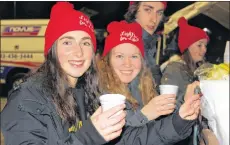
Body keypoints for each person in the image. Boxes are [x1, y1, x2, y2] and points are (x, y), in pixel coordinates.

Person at [1, 2, 126, 145]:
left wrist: (150, 119)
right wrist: (89, 137)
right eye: (67, 42)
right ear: (52, 49)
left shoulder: (89, 92)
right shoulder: (27, 99)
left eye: (85, 43)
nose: (79, 52)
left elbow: (127, 137)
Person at [95, 20, 202, 145]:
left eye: (134, 56)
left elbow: (154, 132)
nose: (127, 63)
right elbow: (119, 140)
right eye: (119, 56)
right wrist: (144, 115)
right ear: (108, 59)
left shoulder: (143, 86)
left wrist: (184, 106)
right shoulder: (100, 92)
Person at [161, 17, 210, 145]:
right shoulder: (174, 69)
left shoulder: (197, 69)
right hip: (176, 135)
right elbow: (168, 104)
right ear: (187, 46)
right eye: (199, 45)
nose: (204, 49)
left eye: (205, 45)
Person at [124, 1, 171, 87]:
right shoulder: (124, 44)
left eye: (159, 13)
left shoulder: (149, 45)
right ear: (134, 10)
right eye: (147, 10)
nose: (154, 19)